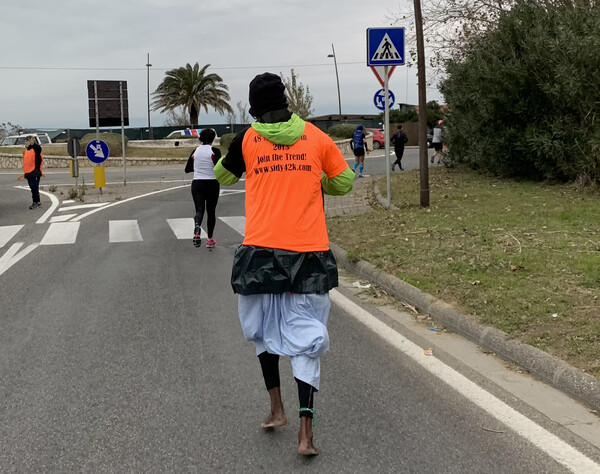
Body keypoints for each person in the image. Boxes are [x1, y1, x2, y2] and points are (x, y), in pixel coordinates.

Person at [214, 72, 354, 456]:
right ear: (287, 100)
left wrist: (231, 155)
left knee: (261, 332)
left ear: (255, 106)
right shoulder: (317, 137)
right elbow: (345, 183)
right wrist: (314, 178)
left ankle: (276, 409)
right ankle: (305, 433)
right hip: (309, 253)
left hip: (260, 252)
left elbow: (223, 176)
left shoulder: (246, 139)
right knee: (306, 337)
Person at [185, 128, 221, 248]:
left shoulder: (195, 151)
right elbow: (220, 167)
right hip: (212, 183)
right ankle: (210, 239)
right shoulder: (215, 151)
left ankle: (197, 229)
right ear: (213, 139)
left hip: (197, 183)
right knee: (211, 212)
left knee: (199, 210)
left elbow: (188, 169)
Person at [22, 135, 43, 210]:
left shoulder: (36, 149)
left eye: (27, 141)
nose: (25, 142)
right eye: (25, 141)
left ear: (30, 141)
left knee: (34, 187)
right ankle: (37, 201)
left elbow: (38, 148)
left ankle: (36, 202)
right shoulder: (27, 150)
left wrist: (33, 143)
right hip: (28, 172)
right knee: (32, 187)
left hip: (35, 171)